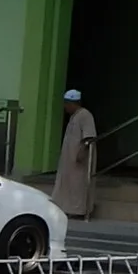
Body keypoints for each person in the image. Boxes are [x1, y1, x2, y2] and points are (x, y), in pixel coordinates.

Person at [53, 88, 97, 220]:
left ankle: (79, 211)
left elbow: (89, 137)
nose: (65, 107)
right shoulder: (74, 116)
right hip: (70, 159)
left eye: (67, 104)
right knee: (69, 184)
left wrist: (82, 152)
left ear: (73, 103)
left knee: (78, 185)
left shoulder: (85, 115)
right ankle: (67, 209)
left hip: (79, 159)